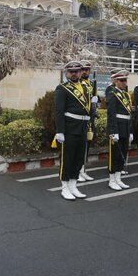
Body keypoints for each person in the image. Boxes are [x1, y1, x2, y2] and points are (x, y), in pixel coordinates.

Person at [53, 61, 91, 200]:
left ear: (81, 72)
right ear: (67, 73)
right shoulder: (62, 89)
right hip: (69, 128)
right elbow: (59, 111)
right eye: (71, 72)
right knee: (67, 159)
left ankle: (73, 185)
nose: (74, 74)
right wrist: (60, 131)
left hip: (82, 127)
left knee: (79, 158)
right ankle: (64, 187)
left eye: (77, 71)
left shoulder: (86, 88)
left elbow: (88, 111)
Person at [106, 69, 133, 190]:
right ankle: (112, 180)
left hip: (126, 128)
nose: (124, 83)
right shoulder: (112, 94)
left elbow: (130, 115)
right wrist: (114, 131)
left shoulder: (126, 95)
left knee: (123, 153)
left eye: (125, 80)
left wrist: (131, 131)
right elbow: (111, 114)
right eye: (121, 80)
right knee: (115, 155)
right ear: (116, 81)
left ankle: (118, 178)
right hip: (117, 128)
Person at [78, 60, 97, 182]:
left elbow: (95, 101)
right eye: (83, 69)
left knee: (87, 146)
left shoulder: (91, 83)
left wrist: (96, 99)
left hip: (90, 119)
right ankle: (77, 171)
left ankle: (83, 169)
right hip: (81, 119)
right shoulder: (77, 83)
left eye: (87, 69)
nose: (85, 71)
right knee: (79, 146)